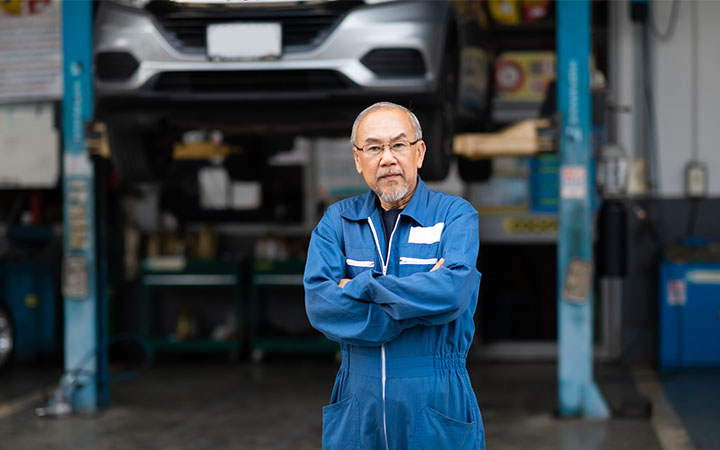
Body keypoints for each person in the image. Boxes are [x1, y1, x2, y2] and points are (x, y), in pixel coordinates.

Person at [303, 102, 484, 450]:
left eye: (398, 145)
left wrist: (360, 287)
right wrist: (413, 309)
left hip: (435, 395)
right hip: (358, 397)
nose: (387, 158)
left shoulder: (455, 216)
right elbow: (321, 305)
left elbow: (451, 293)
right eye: (373, 147)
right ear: (358, 160)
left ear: (419, 153)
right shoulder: (337, 222)